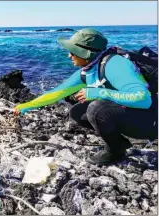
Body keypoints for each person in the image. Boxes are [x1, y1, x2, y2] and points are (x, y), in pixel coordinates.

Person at [14, 28, 158, 165]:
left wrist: (99, 93)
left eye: (72, 51)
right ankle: (118, 143)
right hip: (137, 114)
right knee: (78, 112)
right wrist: (27, 106)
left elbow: (143, 99)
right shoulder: (89, 69)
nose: (69, 55)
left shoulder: (115, 64)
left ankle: (115, 151)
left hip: (152, 119)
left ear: (86, 53)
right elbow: (57, 92)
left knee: (96, 110)